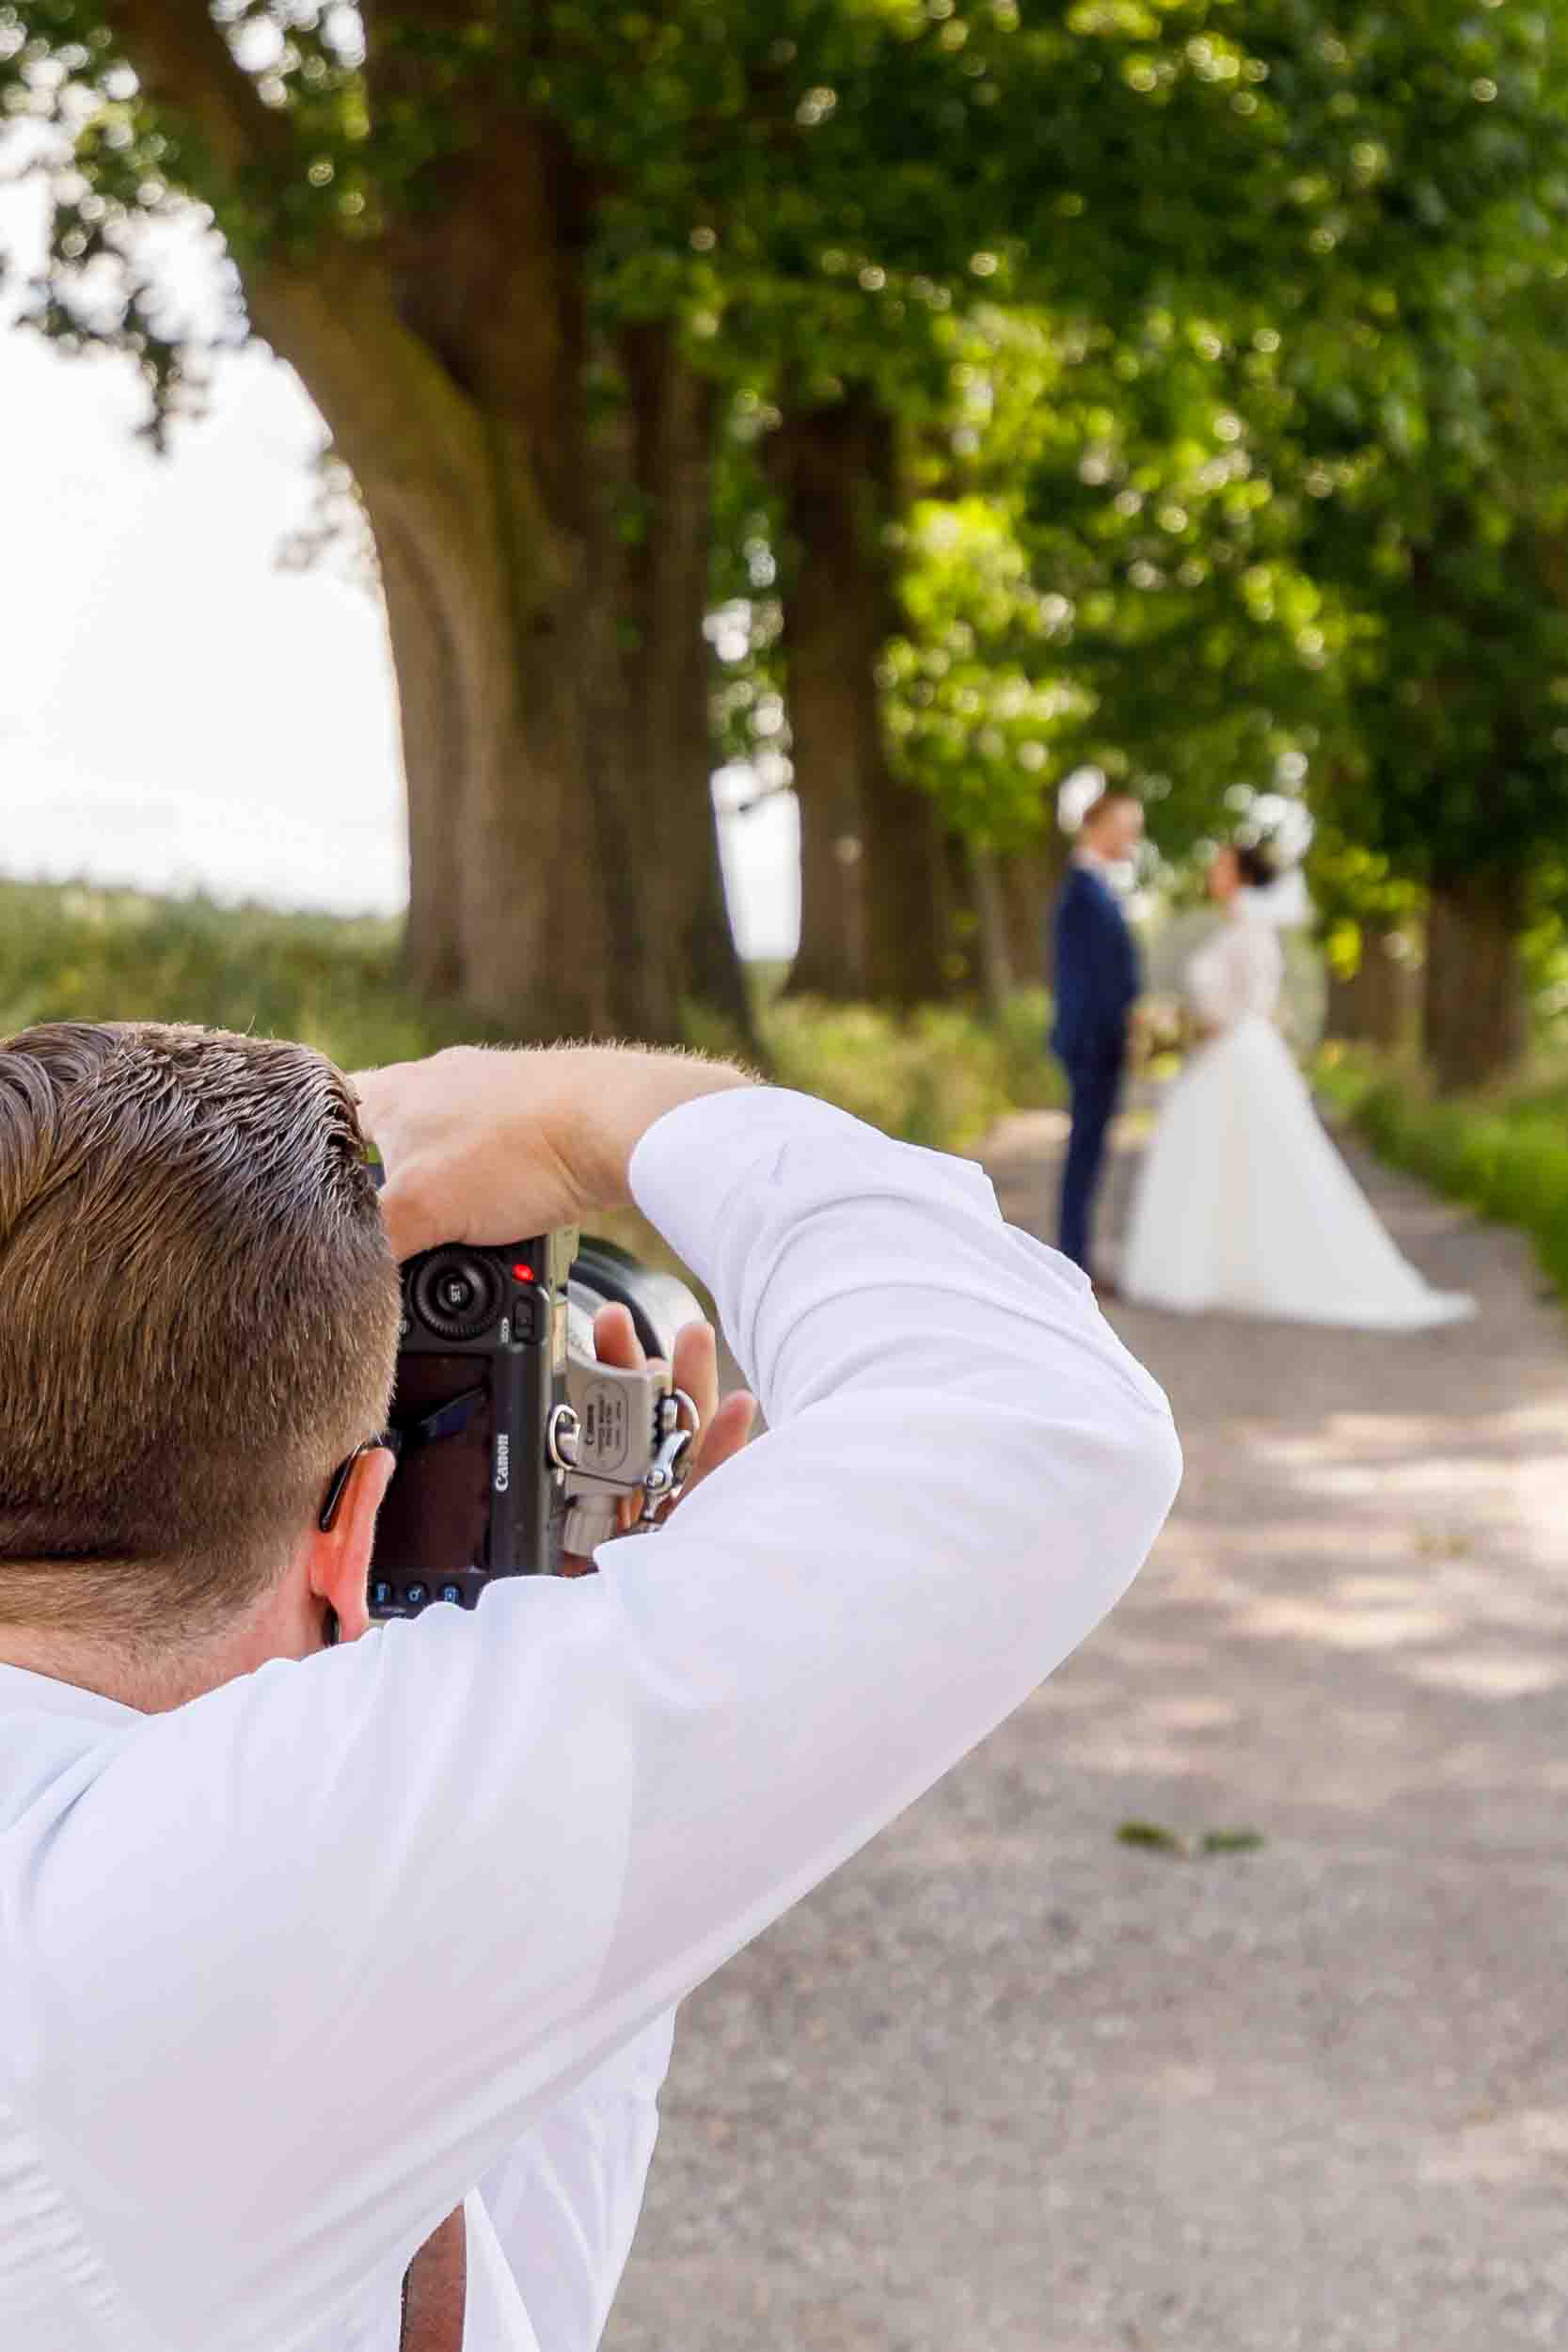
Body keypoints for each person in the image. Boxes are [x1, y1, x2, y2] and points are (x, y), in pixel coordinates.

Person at [0, 1021, 1181, 2352]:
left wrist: (555, 1647)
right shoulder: (185, 1901)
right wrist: (578, 1113)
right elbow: (1039, 1417)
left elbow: (472, 2290)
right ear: (353, 1528)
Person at [1120, 844, 1476, 1327]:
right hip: (1223, 1050)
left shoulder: (1250, 926)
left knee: (1258, 1161)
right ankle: (1220, 1265)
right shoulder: (1235, 922)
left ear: (1242, 875)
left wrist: (1203, 1027)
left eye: (1221, 864)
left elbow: (1254, 998)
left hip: (1238, 1049)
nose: (1212, 871)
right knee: (1221, 1162)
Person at [1051, 788, 1145, 1287]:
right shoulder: (1082, 893)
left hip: (1101, 1043)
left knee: (1091, 1152)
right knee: (1084, 1150)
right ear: (1097, 826)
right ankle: (1072, 1263)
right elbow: (1083, 982)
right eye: (1126, 827)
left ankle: (1076, 1257)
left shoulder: (1098, 890)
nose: (1133, 838)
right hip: (1091, 1045)